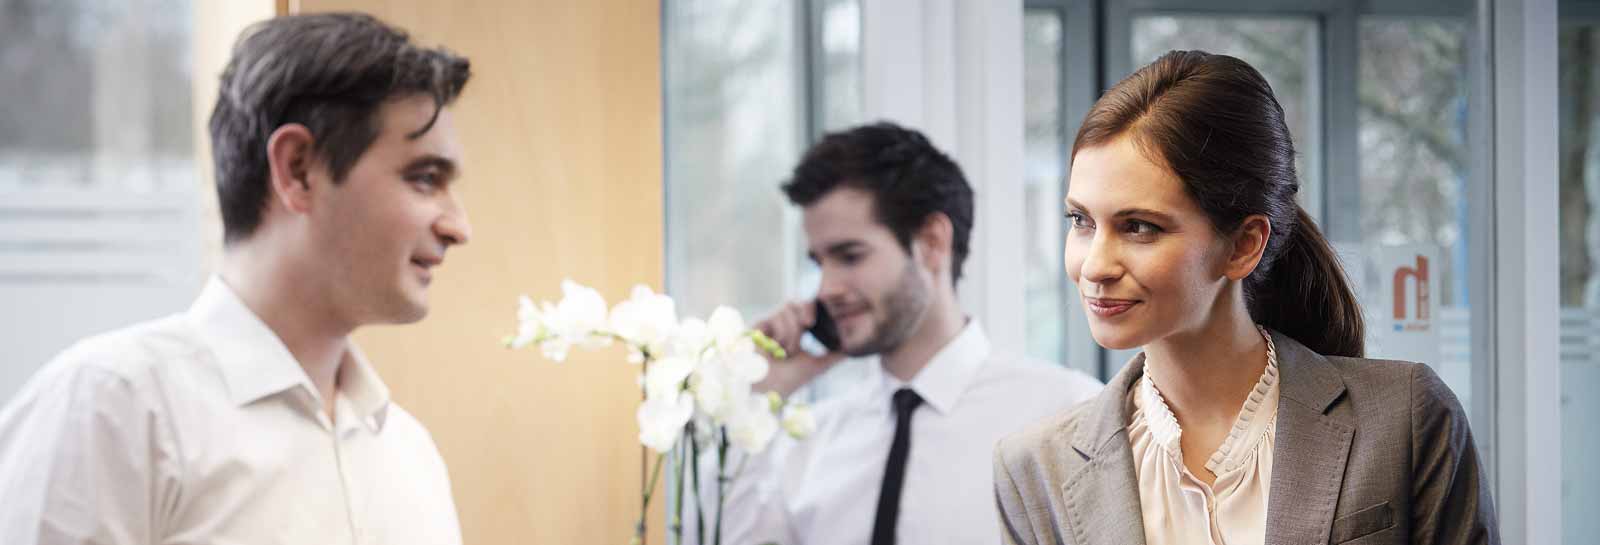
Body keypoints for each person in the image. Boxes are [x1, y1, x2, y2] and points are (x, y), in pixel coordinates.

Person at [0, 13, 473, 544]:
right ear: (298, 170)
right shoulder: (115, 408)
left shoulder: (411, 455)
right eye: (425, 179)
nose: (459, 227)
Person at [992, 50, 1498, 545]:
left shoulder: (1405, 418)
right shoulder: (1036, 471)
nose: (1095, 266)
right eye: (1081, 221)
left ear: (1242, 245)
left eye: (1139, 227)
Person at [693, 122, 1103, 545]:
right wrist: (760, 398)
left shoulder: (1066, 416)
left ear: (931, 242)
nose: (826, 289)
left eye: (849, 256)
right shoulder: (812, 442)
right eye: (819, 263)